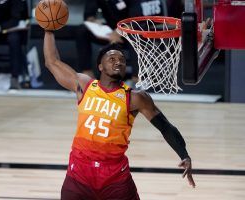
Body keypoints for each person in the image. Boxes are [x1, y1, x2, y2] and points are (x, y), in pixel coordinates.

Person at [44, 30, 196, 199]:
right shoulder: (85, 86)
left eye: (122, 60)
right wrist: (48, 30)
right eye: (112, 59)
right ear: (100, 66)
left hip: (115, 176)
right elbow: (52, 62)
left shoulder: (135, 98)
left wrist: (184, 154)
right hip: (79, 172)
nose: (119, 62)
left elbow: (165, 127)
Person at [76, 0, 182, 85]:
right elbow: (89, 16)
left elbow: (135, 20)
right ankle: (87, 75)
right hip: (110, 32)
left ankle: (136, 79)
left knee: (133, 34)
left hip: (137, 29)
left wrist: (118, 32)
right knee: (82, 30)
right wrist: (94, 23)